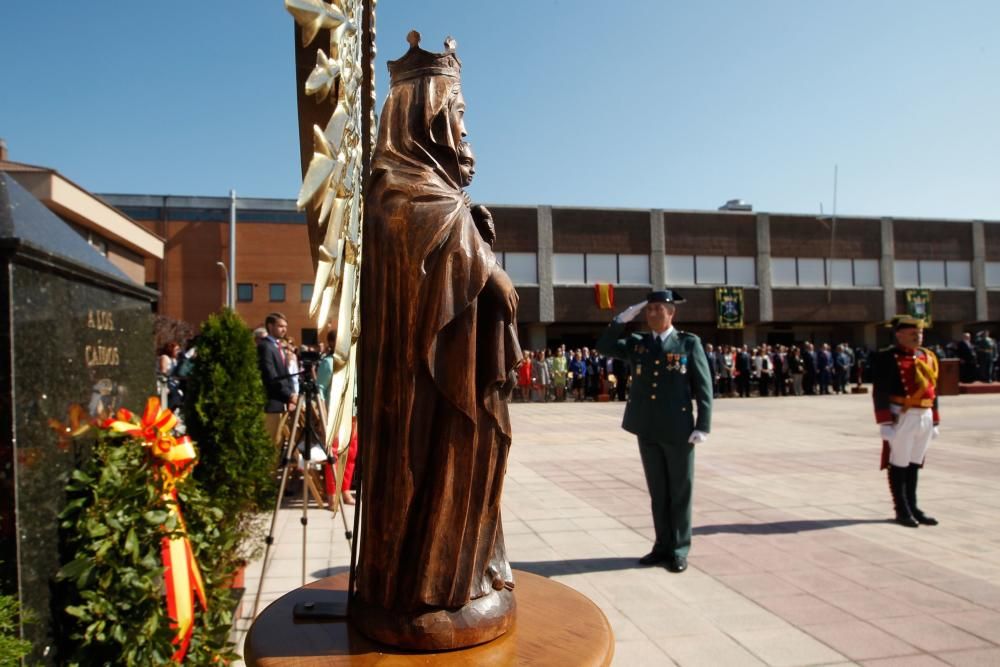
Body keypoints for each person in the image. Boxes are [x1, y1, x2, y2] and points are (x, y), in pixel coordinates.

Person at [356, 31, 521, 638]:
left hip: (459, 373)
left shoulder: (442, 193)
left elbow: (450, 232)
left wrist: (472, 228)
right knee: (437, 463)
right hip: (423, 393)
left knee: (475, 459)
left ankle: (471, 572)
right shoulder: (397, 189)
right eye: (455, 114)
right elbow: (426, 242)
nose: (464, 129)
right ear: (423, 119)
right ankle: (429, 589)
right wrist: (489, 268)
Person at [596, 290, 712, 573]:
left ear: (671, 313)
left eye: (659, 309)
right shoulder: (638, 344)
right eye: (649, 310)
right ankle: (661, 546)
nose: (653, 314)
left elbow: (703, 386)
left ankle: (679, 549)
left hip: (679, 430)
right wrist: (621, 320)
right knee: (658, 492)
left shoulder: (687, 343)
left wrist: (703, 426)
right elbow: (605, 346)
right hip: (647, 428)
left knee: (680, 492)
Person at [872, 315, 940, 528]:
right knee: (899, 463)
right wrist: (884, 423)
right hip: (902, 414)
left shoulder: (927, 356)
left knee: (914, 462)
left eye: (919, 333)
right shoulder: (887, 357)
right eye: (912, 333)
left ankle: (914, 507)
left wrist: (935, 419)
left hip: (924, 413)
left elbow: (933, 389)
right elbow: (880, 390)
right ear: (899, 334)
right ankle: (901, 509)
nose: (917, 337)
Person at [257, 312, 297, 445]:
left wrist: (291, 395)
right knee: (272, 443)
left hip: (283, 403)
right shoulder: (265, 346)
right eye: (280, 326)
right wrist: (289, 395)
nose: (284, 329)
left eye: (285, 326)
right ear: (270, 326)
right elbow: (271, 376)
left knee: (281, 443)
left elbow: (287, 375)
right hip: (272, 404)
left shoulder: (278, 346)